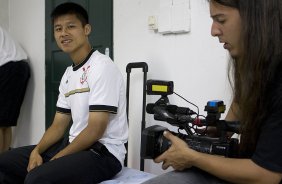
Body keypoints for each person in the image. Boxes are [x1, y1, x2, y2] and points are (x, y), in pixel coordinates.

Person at [142, 0, 282, 184]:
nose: (213, 31)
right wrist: (220, 130)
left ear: (255, 19)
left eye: (221, 20)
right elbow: (241, 100)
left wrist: (192, 157)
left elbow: (267, 175)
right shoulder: (254, 63)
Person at [0, 2, 128, 184]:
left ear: (87, 29)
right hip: (73, 144)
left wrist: (58, 158)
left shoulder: (102, 67)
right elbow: (58, 126)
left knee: (37, 178)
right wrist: (36, 151)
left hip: (103, 153)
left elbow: (95, 129)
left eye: (71, 26)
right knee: (5, 162)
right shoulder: (68, 74)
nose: (63, 33)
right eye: (58, 28)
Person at [0, 25, 30, 153]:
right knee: (5, 122)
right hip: (18, 67)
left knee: (3, 121)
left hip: (9, 68)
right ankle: (5, 162)